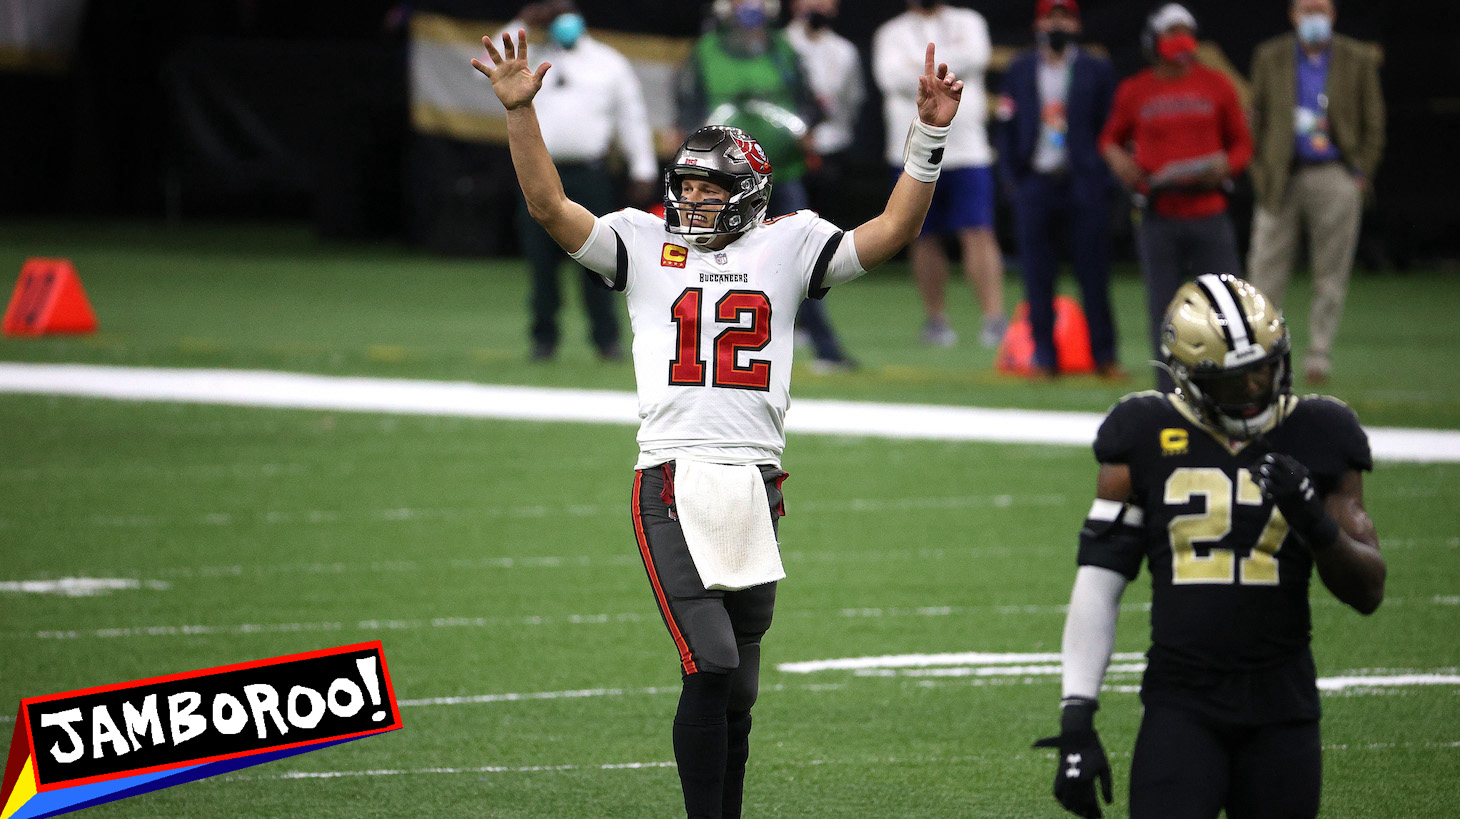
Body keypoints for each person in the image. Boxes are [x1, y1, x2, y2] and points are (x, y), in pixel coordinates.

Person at [473, 30, 965, 818]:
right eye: (687, 186)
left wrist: (930, 136)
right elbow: (548, 205)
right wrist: (522, 114)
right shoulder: (641, 240)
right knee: (709, 658)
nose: (690, 200)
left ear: (746, 189)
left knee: (740, 680)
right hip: (671, 472)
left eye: (707, 188)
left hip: (755, 477)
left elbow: (892, 231)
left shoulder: (789, 242)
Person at [1034, 273, 1386, 819]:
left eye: (1263, 372)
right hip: (1181, 703)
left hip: (1283, 708)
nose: (1253, 393)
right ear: (1187, 378)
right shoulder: (1143, 431)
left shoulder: (1320, 431)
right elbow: (1099, 582)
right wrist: (1077, 719)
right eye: (1231, 383)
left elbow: (1368, 590)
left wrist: (1314, 521)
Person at [678, 0, 856, 372]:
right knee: (711, 264)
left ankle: (824, 346)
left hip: (781, 174)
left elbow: (810, 102)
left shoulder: (782, 49)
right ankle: (708, 348)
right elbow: (687, 107)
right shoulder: (706, 51)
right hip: (720, 181)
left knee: (801, 259)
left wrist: (804, 130)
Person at [1099, 3, 1252, 390]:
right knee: (1164, 309)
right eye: (1172, 33)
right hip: (1158, 214)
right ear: (1153, 41)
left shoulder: (1217, 84)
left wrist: (1226, 168)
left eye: (1186, 32)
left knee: (1225, 305)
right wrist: (1121, 163)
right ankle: (1169, 387)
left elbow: (1242, 143)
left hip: (1209, 210)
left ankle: (1230, 381)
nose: (1181, 41)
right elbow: (1109, 140)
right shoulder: (1136, 89)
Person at [501, 1, 658, 362]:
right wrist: (524, 20)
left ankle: (606, 341)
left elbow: (631, 116)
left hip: (590, 173)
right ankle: (544, 340)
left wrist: (643, 168)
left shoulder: (608, 61)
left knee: (600, 261)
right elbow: (488, 60)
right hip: (538, 172)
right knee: (540, 263)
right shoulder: (528, 54)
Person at [1246, 0, 1385, 386]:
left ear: (1334, 14)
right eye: (1306, 9)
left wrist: (1360, 174)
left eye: (1320, 8)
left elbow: (1374, 120)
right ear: (1292, 14)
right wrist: (1260, 170)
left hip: (1334, 174)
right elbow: (1255, 115)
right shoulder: (1269, 55)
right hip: (1282, 174)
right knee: (1265, 270)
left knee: (1331, 272)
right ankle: (1261, 354)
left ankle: (1319, 354)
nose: (1314, 17)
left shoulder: (1356, 57)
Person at [996, 0, 1120, 378]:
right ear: (1038, 23)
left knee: (1093, 272)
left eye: (1064, 16)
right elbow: (1005, 126)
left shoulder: (1096, 69)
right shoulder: (1019, 69)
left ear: (1077, 23)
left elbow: (1112, 127)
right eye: (1051, 16)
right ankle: (1044, 358)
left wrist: (1102, 177)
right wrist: (1013, 180)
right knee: (1037, 275)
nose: (1058, 23)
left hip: (1082, 181)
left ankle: (1105, 357)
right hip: (1036, 181)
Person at [874, 0, 1007, 349]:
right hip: (912, 149)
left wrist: (920, 70)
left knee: (978, 231)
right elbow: (890, 78)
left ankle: (994, 319)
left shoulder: (969, 20)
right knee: (921, 234)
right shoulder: (891, 32)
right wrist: (947, 69)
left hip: (968, 148)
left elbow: (979, 56)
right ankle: (936, 320)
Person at [785, 0, 865, 230]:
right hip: (788, 150)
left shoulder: (844, 50)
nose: (818, 5)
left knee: (827, 225)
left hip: (831, 145)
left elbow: (852, 100)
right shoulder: (780, 45)